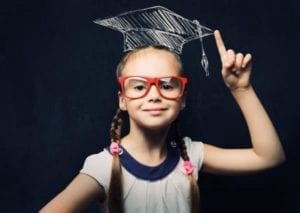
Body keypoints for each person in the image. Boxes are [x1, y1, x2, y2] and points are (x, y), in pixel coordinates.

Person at [39, 29, 286, 213]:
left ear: (182, 99)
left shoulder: (192, 154)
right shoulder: (103, 167)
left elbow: (269, 156)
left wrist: (241, 90)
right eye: (139, 86)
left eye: (167, 85)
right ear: (123, 99)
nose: (154, 94)